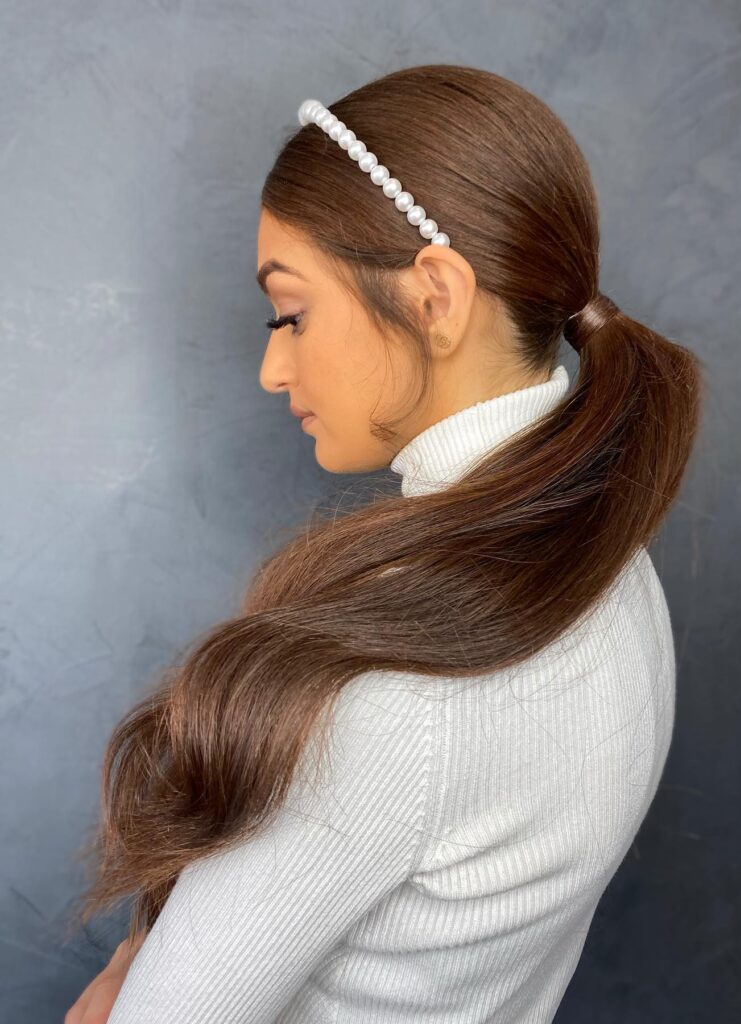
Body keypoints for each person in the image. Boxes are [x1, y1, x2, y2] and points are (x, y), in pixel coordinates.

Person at [65, 64, 702, 1023]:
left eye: (291, 312)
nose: (272, 367)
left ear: (434, 295)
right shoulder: (608, 563)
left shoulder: (398, 694)